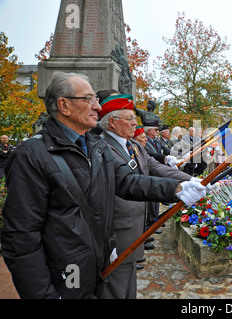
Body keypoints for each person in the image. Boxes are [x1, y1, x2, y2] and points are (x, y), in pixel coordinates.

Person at [0, 72, 206, 299]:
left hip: (98, 261)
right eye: (89, 99)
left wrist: (177, 189)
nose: (98, 107)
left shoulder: (95, 145)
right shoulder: (31, 155)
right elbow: (21, 237)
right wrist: (43, 295)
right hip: (67, 271)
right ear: (64, 105)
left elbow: (127, 182)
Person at [98, 94, 193, 298]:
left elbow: (156, 167)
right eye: (130, 118)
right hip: (117, 231)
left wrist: (192, 181)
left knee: (128, 285)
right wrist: (179, 188)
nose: (135, 123)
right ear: (113, 122)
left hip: (135, 229)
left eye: (135, 118)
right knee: (114, 288)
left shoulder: (133, 145)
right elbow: (129, 182)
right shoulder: (103, 147)